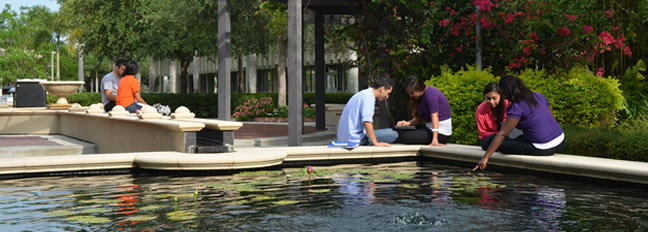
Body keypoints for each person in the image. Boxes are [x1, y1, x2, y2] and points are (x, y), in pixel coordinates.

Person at [474, 75, 565, 171]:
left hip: (542, 147)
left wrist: (485, 158)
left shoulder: (517, 107)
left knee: (499, 144)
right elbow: (552, 118)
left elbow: (503, 133)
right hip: (560, 141)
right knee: (517, 139)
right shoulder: (538, 96)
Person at [337, 74, 398, 147]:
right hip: (355, 139)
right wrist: (376, 143)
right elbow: (367, 122)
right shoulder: (368, 98)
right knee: (394, 134)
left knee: (389, 132)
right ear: (382, 89)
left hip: (347, 137)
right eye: (388, 93)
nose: (387, 97)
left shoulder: (363, 94)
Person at [396, 75, 452, 146]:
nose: (410, 96)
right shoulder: (421, 97)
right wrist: (408, 123)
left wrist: (435, 139)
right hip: (429, 127)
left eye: (412, 93)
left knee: (405, 136)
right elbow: (420, 119)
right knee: (401, 131)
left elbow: (435, 116)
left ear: (418, 88)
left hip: (441, 133)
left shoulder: (431, 94)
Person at [476, 82, 523, 150]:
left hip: (508, 136)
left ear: (500, 96)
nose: (491, 101)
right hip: (490, 139)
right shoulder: (481, 109)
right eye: (488, 99)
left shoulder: (508, 105)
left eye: (494, 98)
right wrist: (500, 134)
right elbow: (483, 133)